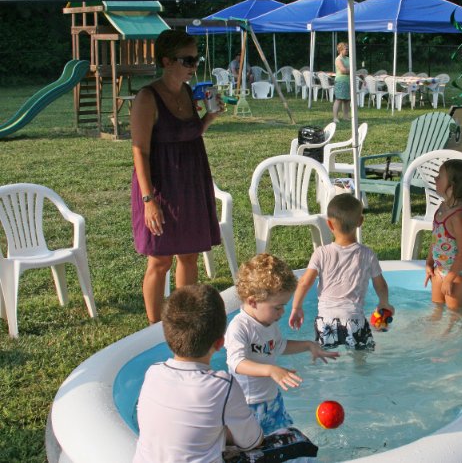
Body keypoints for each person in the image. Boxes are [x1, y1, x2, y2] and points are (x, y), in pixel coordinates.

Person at [130, 29, 225, 324]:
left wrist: (208, 118)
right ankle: (153, 327)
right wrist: (149, 200)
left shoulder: (187, 91)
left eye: (196, 59)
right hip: (160, 186)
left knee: (189, 255)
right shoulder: (147, 98)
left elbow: (190, 134)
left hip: (191, 181)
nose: (193, 66)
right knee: (160, 259)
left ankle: (184, 321)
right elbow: (140, 152)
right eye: (187, 60)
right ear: (167, 60)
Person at [133, 284, 263, 462]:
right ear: (219, 343)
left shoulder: (153, 373)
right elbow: (252, 442)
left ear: (167, 337)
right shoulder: (222, 386)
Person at [225, 254, 339, 435]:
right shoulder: (240, 327)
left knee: (283, 442)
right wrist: (271, 370)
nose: (282, 312)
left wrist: (308, 345)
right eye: (277, 307)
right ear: (253, 301)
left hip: (272, 399)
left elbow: (279, 346)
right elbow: (236, 363)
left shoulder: (269, 323)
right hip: (248, 404)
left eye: (284, 306)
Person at [291, 193, 394, 350]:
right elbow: (380, 285)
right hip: (354, 320)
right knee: (361, 360)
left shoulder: (321, 253)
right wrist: (384, 302)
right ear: (360, 222)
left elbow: (304, 282)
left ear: (330, 225)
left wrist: (296, 308)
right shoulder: (367, 254)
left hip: (325, 321)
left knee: (325, 359)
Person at [424, 159, 462, 326]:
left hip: (456, 275)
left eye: (440, 176)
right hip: (440, 269)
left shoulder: (459, 216)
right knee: (437, 309)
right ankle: (435, 337)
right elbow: (436, 237)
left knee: (455, 315)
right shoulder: (442, 207)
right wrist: (429, 261)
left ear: (452, 186)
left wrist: (450, 278)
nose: (435, 179)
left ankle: (456, 341)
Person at [332, 42, 350, 123]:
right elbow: (343, 70)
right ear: (340, 50)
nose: (348, 50)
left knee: (347, 100)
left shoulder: (348, 58)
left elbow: (354, 68)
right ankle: (335, 117)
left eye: (348, 49)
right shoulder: (338, 59)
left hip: (348, 81)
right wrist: (349, 70)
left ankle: (346, 117)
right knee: (338, 99)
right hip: (340, 82)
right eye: (346, 49)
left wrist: (348, 70)